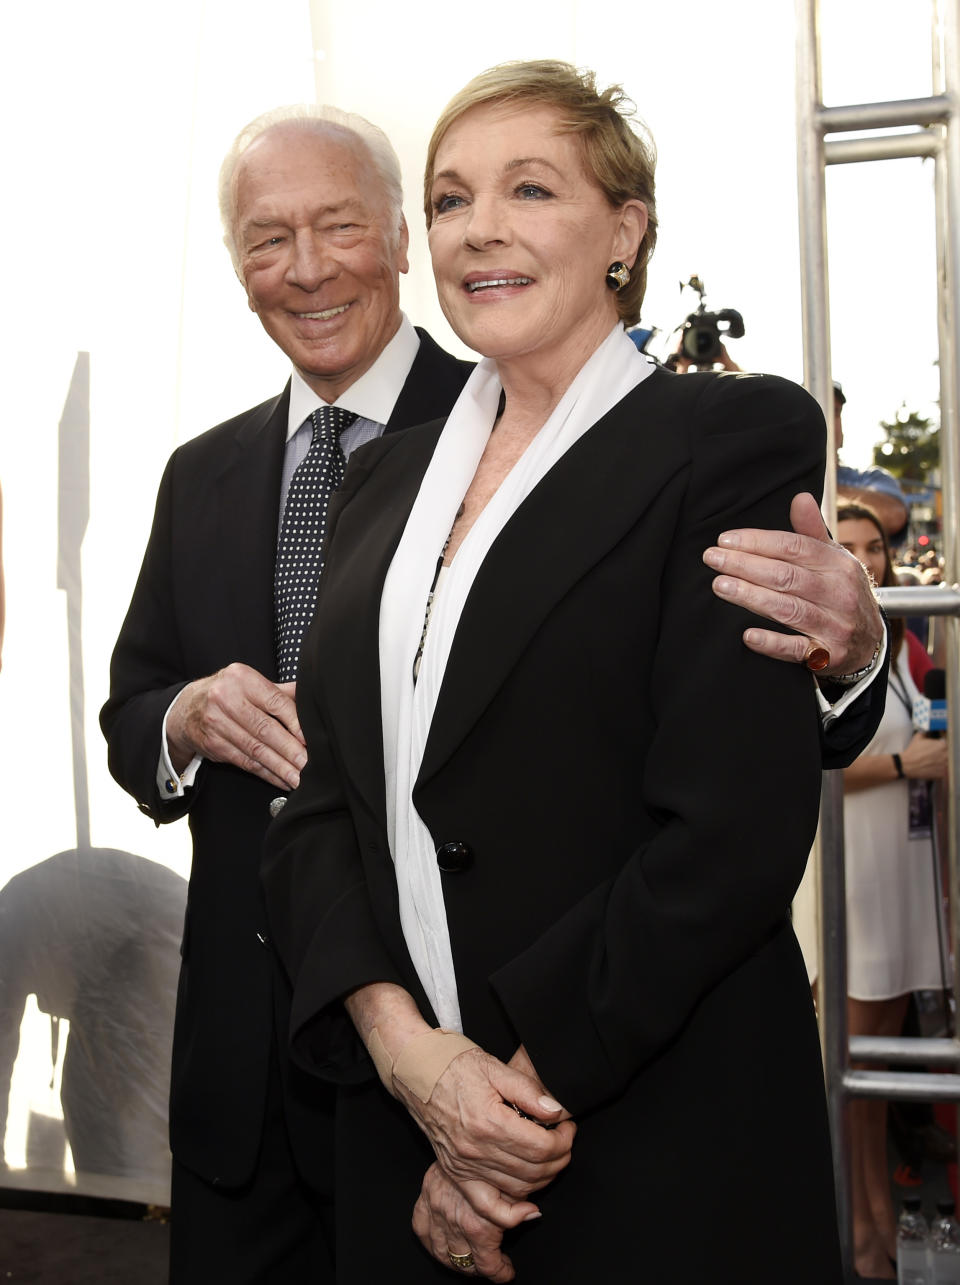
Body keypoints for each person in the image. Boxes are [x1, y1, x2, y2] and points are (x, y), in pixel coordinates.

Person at [101, 96, 882, 1282]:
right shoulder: (377, 484)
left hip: (628, 1124)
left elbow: (729, 823)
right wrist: (415, 1065)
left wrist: (493, 1120)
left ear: (625, 231)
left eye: (529, 189)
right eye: (454, 196)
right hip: (357, 1106)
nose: (480, 228)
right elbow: (323, 802)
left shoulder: (719, 435)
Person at [99, 105, 473, 1283]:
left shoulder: (504, 437)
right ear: (236, 267)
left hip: (437, 1082)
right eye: (268, 241)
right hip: (238, 1094)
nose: (305, 270)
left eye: (337, 227)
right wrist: (187, 717)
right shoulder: (201, 472)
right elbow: (129, 717)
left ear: (402, 237)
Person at [836, 502, 948, 1280]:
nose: (867, 560)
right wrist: (911, 766)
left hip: (906, 873)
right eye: (848, 547)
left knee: (877, 1082)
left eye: (874, 546)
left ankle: (880, 1223)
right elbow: (818, 769)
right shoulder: (822, 645)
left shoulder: (904, 641)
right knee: (850, 1074)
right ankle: (859, 1232)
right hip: (857, 879)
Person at [835, 382, 909, 542]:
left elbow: (893, 516)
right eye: (815, 411)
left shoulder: (870, 479)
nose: (825, 421)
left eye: (834, 412)